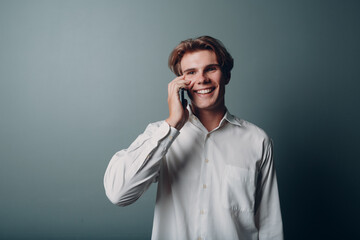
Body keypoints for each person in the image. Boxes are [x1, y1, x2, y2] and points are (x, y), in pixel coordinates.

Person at [104, 36, 283, 240]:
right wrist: (172, 125)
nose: (202, 79)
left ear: (226, 76)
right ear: (179, 83)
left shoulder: (257, 140)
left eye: (211, 69)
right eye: (191, 72)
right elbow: (118, 193)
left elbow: (270, 225)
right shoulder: (160, 135)